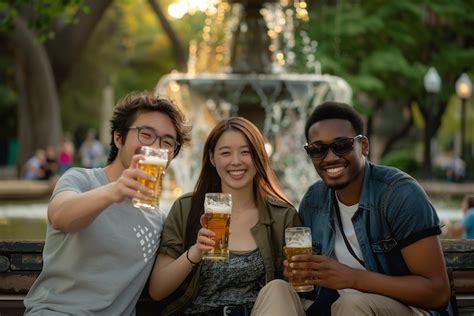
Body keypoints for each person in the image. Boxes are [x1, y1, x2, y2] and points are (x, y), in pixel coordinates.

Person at [256, 101, 451, 315]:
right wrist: (300, 272)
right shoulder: (314, 200)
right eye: (318, 149)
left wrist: (352, 278)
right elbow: (311, 289)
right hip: (333, 307)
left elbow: (437, 292)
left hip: (409, 309)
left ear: (364, 146)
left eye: (342, 145)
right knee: (277, 290)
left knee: (352, 304)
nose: (330, 157)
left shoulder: (399, 194)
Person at [23, 91, 191, 315]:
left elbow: (160, 286)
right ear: (118, 138)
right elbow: (60, 217)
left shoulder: (157, 219)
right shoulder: (81, 179)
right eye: (146, 134)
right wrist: (115, 190)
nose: (156, 147)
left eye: (167, 141)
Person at [148, 116, 301, 315]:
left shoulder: (283, 216)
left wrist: (294, 275)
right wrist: (195, 252)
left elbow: (300, 290)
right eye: (225, 153)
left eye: (246, 152)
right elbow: (157, 290)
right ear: (212, 158)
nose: (236, 161)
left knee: (280, 289)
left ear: (259, 156)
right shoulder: (187, 208)